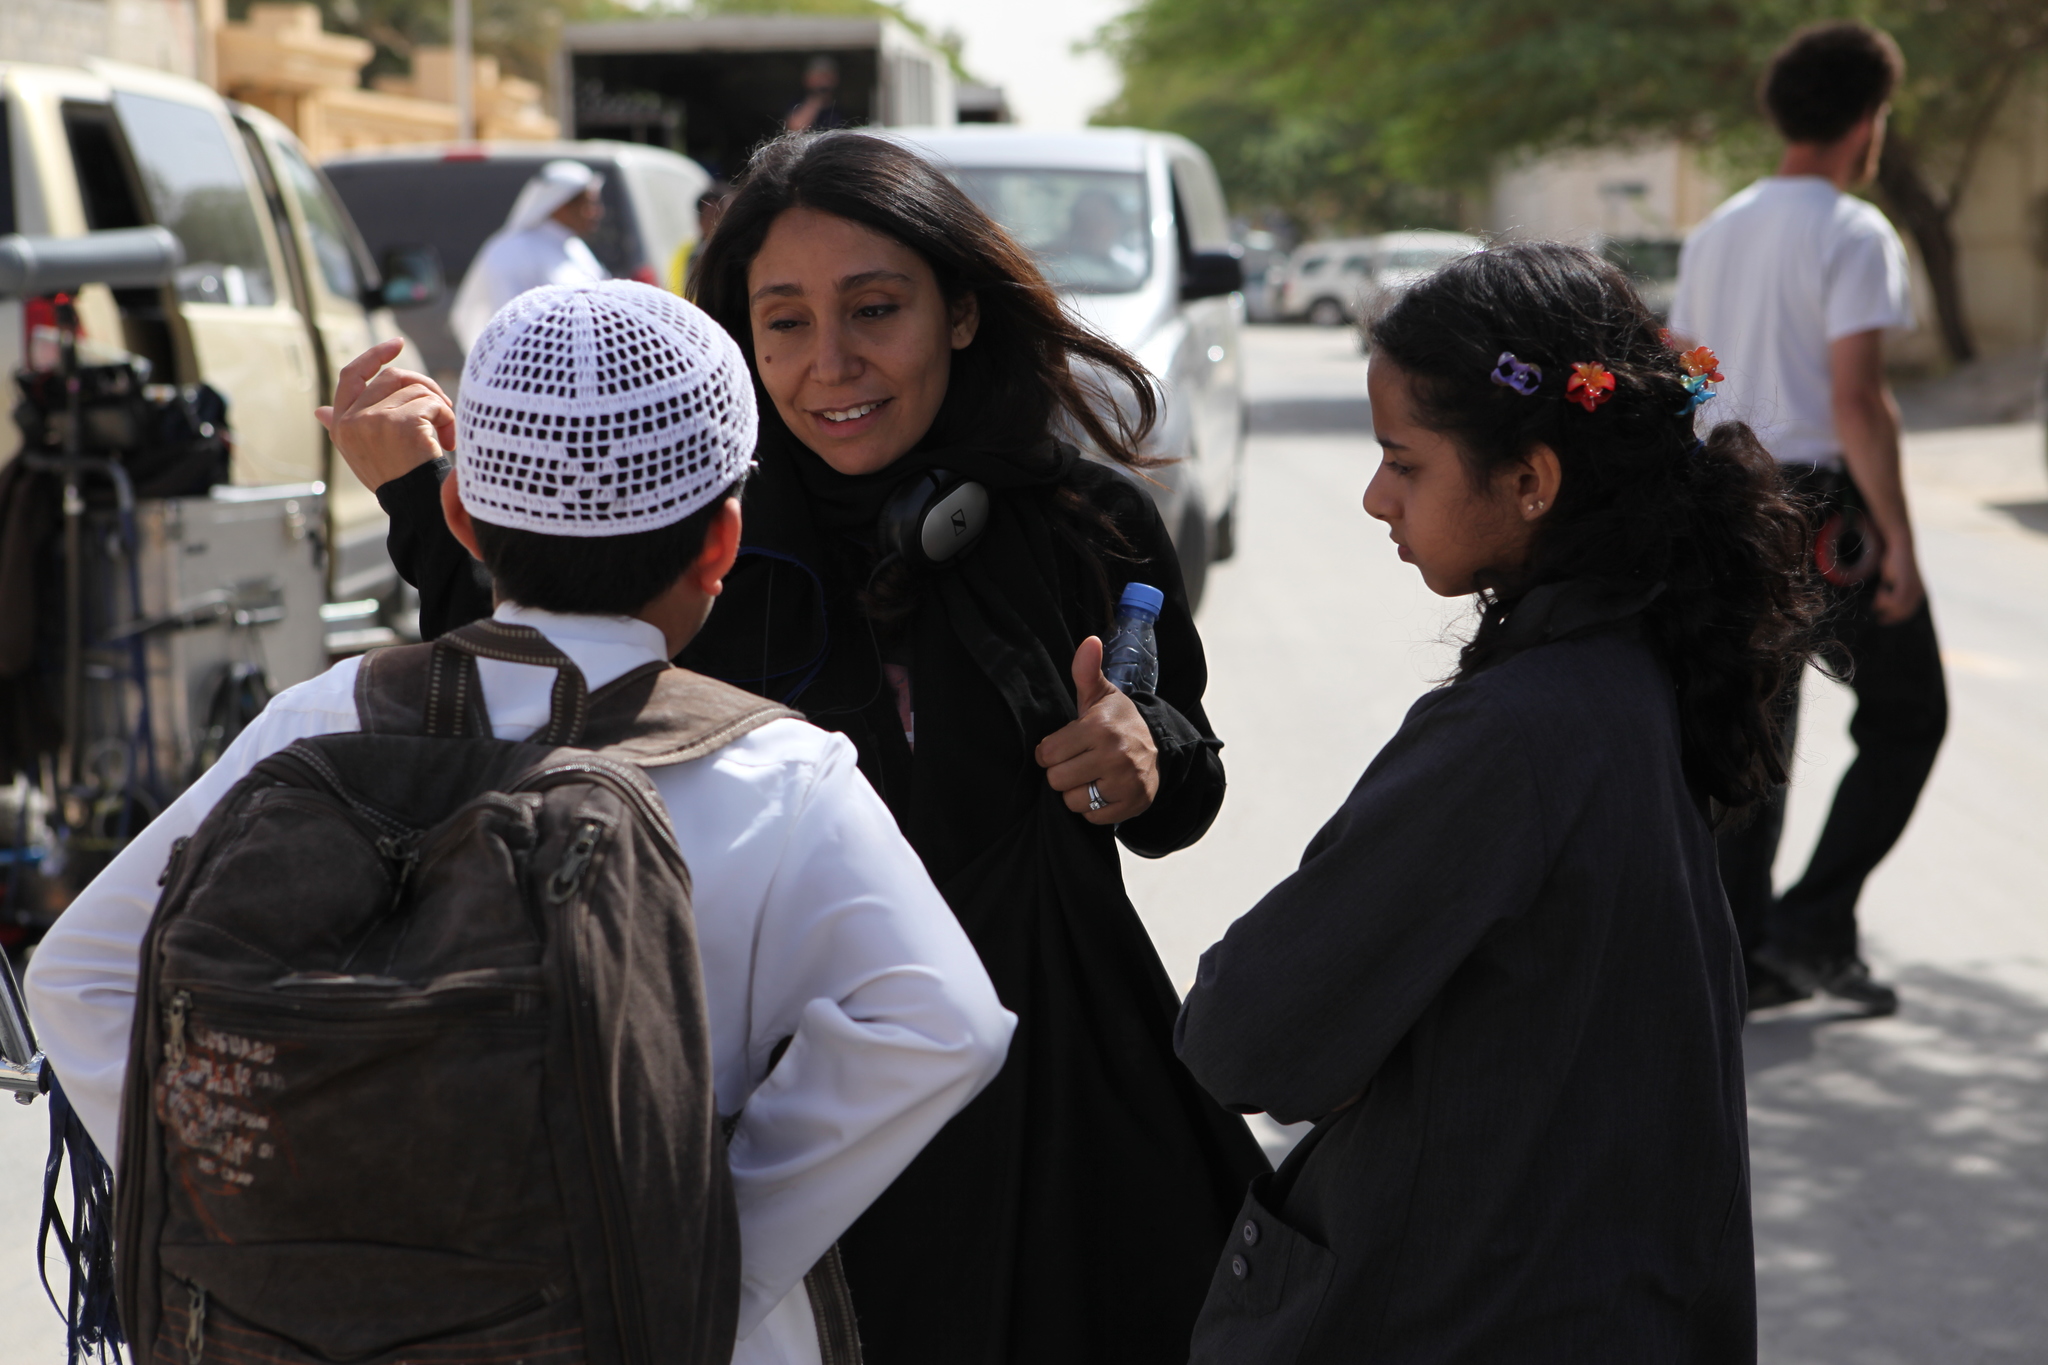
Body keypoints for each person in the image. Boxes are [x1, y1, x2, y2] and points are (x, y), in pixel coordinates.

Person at [357, 130, 1269, 1364]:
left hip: (1058, 1122)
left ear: (957, 312)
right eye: (780, 322)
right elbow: (526, 685)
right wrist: (423, 501)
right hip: (780, 1124)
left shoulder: (1084, 522)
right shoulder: (693, 532)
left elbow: (1180, 791)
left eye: (875, 309)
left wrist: (1143, 750)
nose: (828, 364)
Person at [26, 281, 1017, 1365]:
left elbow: (76, 978)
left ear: (458, 516)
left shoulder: (318, 722)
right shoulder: (778, 770)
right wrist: (704, 1252)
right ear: (722, 539)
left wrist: (273, 1220)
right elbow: (944, 1023)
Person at [1176, 243, 1820, 1362]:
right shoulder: (1637, 665)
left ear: (1531, 479)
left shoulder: (1514, 735)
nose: (1374, 495)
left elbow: (1243, 1040)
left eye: (1402, 463)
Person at [1671, 21, 1945, 1015]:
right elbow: (1857, 400)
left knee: (1756, 730)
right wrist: (1898, 542)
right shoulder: (1849, 231)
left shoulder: (1718, 229)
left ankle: (1739, 953)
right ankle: (1808, 930)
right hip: (1821, 504)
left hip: (1729, 487)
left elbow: (1686, 360)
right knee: (1908, 712)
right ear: (1865, 121)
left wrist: (1714, 430)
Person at [448, 159, 611, 351]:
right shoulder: (511, 250)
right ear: (561, 204)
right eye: (589, 204)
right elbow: (511, 324)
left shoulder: (574, 247)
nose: (597, 213)